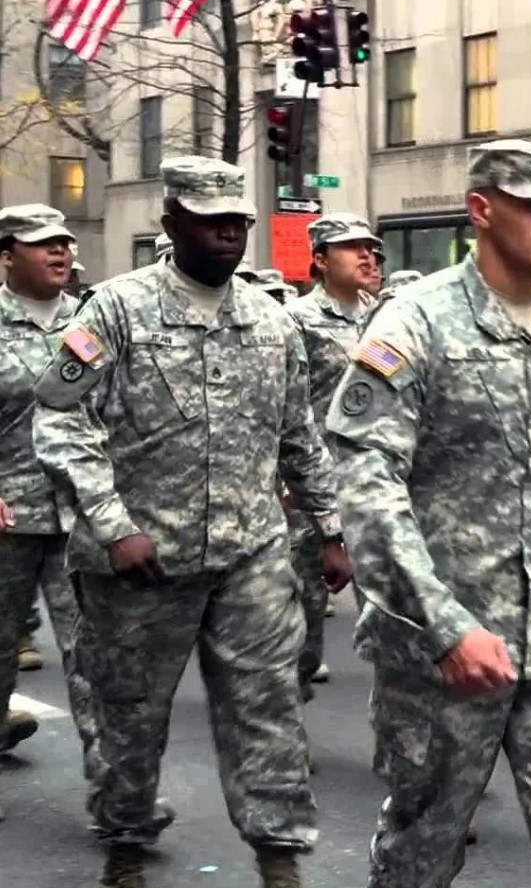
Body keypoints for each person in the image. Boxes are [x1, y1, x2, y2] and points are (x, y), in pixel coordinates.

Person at [327, 139, 531, 888]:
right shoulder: (417, 324)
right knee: (423, 842)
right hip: (447, 648)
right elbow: (368, 483)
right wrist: (442, 624)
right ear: (482, 210)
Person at [33, 156, 348, 888]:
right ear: (172, 225)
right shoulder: (114, 310)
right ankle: (127, 843)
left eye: (237, 224)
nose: (228, 238)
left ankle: (280, 859)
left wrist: (330, 528)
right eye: (211, 224)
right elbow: (60, 418)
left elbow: (298, 434)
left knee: (268, 709)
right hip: (141, 561)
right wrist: (113, 524)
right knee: (132, 714)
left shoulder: (271, 321)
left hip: (251, 554)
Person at [0, 205, 103, 803]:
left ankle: (117, 791)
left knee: (92, 650)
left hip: (77, 513)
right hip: (8, 516)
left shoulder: (91, 321)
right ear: (8, 254)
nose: (59, 252)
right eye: (43, 245)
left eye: (64, 242)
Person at [286, 214, 383, 695]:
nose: (367, 255)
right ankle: (289, 711)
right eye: (352, 248)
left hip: (376, 481)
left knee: (393, 608)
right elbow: (287, 406)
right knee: (301, 611)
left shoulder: (386, 318)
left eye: (371, 247)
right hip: (313, 481)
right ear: (321, 261)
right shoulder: (296, 322)